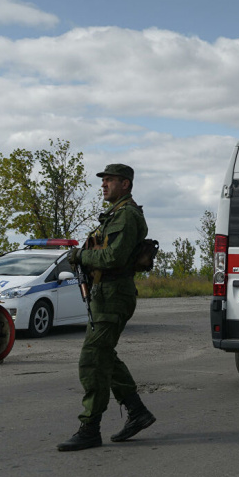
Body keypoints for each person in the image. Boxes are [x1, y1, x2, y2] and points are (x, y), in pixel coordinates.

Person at [58, 164, 155, 452]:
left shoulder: (126, 215)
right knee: (103, 356)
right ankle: (137, 412)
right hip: (104, 294)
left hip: (114, 294)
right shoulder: (113, 215)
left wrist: (80, 255)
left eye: (110, 180)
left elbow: (113, 256)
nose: (104, 185)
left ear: (125, 184)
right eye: (104, 181)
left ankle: (90, 428)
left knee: (92, 360)